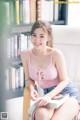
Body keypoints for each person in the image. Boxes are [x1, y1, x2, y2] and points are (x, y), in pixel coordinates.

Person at [21, 20, 80, 120]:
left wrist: (49, 95)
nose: (37, 40)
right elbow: (29, 79)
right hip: (48, 96)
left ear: (48, 38)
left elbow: (64, 80)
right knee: (41, 116)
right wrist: (31, 90)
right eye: (34, 35)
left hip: (68, 94)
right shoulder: (25, 54)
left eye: (42, 36)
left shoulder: (56, 54)